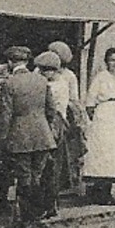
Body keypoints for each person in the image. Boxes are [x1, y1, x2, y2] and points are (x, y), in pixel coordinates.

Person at [0, 46, 57, 228]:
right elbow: (51, 110)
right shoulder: (41, 81)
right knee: (36, 177)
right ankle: (33, 217)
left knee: (24, 178)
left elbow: (5, 115)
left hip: (20, 137)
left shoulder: (9, 83)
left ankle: (24, 221)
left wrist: (1, 138)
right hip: (43, 136)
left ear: (9, 62)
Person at [84, 47, 115, 204]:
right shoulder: (100, 78)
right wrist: (96, 117)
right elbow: (90, 101)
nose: (114, 63)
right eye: (112, 60)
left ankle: (108, 192)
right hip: (103, 115)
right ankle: (98, 193)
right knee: (101, 152)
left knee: (113, 154)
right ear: (106, 62)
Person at [46, 40, 85, 201]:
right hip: (47, 116)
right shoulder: (41, 71)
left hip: (63, 116)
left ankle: (62, 187)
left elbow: (74, 98)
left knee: (65, 154)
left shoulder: (69, 76)